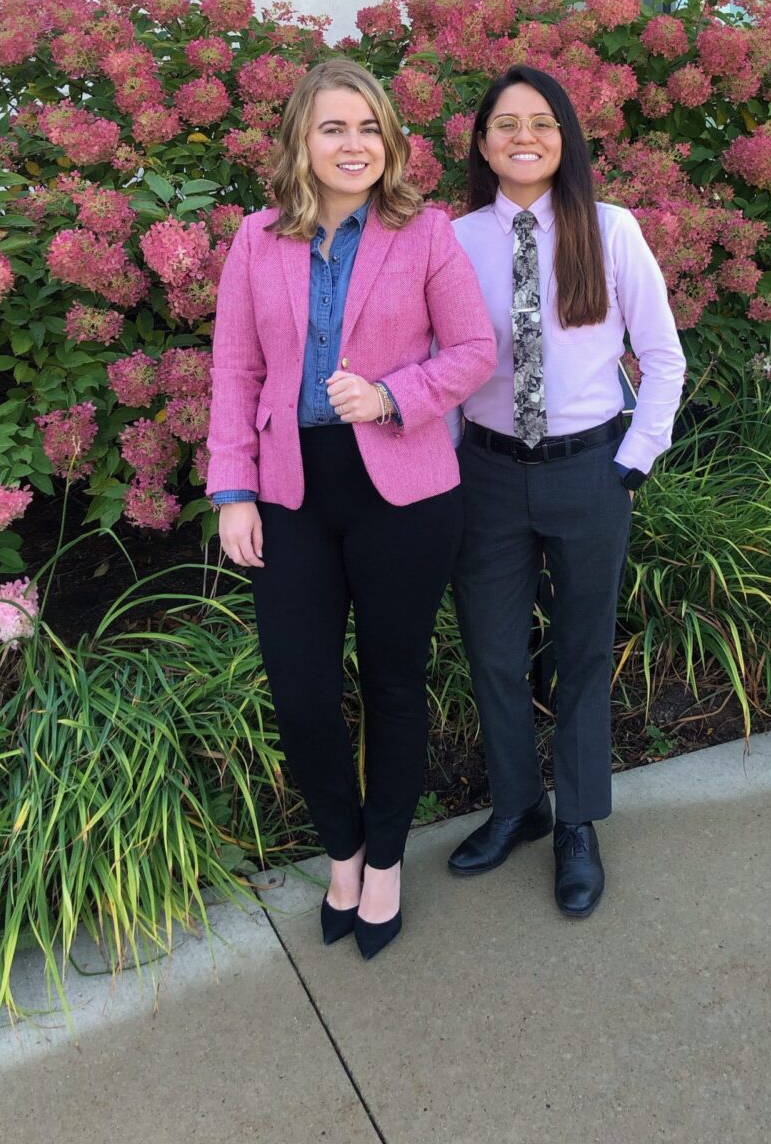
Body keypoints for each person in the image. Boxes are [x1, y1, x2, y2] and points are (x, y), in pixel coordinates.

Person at [207, 58, 495, 960]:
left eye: (369, 128)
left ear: (390, 142)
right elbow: (235, 370)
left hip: (403, 493)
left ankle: (385, 863)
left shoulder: (426, 233)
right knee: (301, 691)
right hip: (290, 490)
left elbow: (475, 349)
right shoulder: (256, 239)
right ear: (302, 138)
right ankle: (343, 849)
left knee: (392, 684)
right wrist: (232, 491)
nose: (354, 144)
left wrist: (392, 394)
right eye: (334, 127)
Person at [447, 63, 685, 918]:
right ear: (482, 144)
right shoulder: (452, 240)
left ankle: (578, 821)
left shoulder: (610, 230)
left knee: (582, 653)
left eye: (541, 122)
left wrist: (633, 461)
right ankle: (520, 807)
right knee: (492, 651)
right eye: (506, 123)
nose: (524, 136)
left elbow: (663, 358)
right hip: (486, 476)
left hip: (590, 470)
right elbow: (440, 366)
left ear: (565, 138)